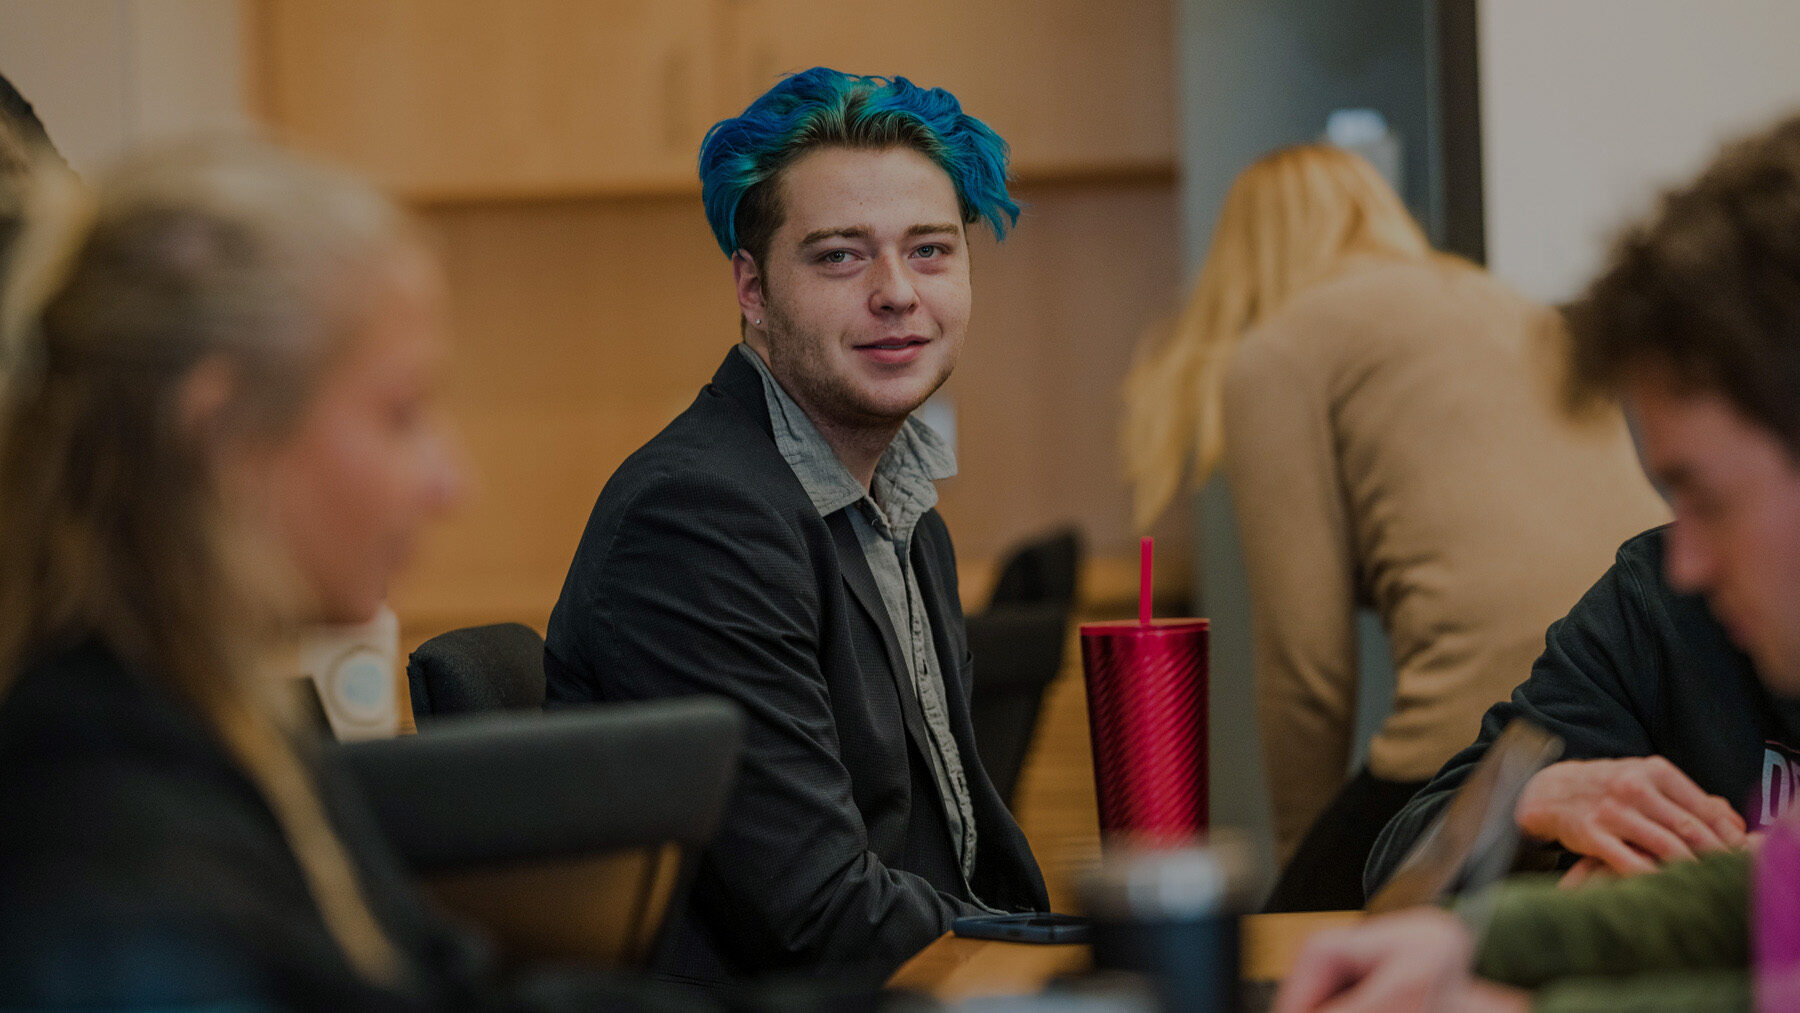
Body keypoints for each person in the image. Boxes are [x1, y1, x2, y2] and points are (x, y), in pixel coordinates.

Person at [0, 139, 665, 1009]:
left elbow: (457, 988)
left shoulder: (215, 725)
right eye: (401, 414)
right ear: (225, 436)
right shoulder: (115, 860)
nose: (449, 480)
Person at [1278, 109, 1800, 1013]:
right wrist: (1469, 934)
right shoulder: (1648, 606)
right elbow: (1764, 901)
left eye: (1710, 498)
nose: (1688, 563)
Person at [544, 67, 1049, 986]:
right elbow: (815, 913)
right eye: (840, 255)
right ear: (752, 287)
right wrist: (1066, 958)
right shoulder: (698, 520)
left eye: (930, 249)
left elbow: (933, 860)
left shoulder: (901, 511)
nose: (897, 291)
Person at [1120, 144, 1667, 910]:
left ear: (1243, 256)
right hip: (1649, 705)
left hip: (1499, 732)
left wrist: (1305, 883)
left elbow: (1307, 675)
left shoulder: (1280, 348)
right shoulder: (1510, 304)